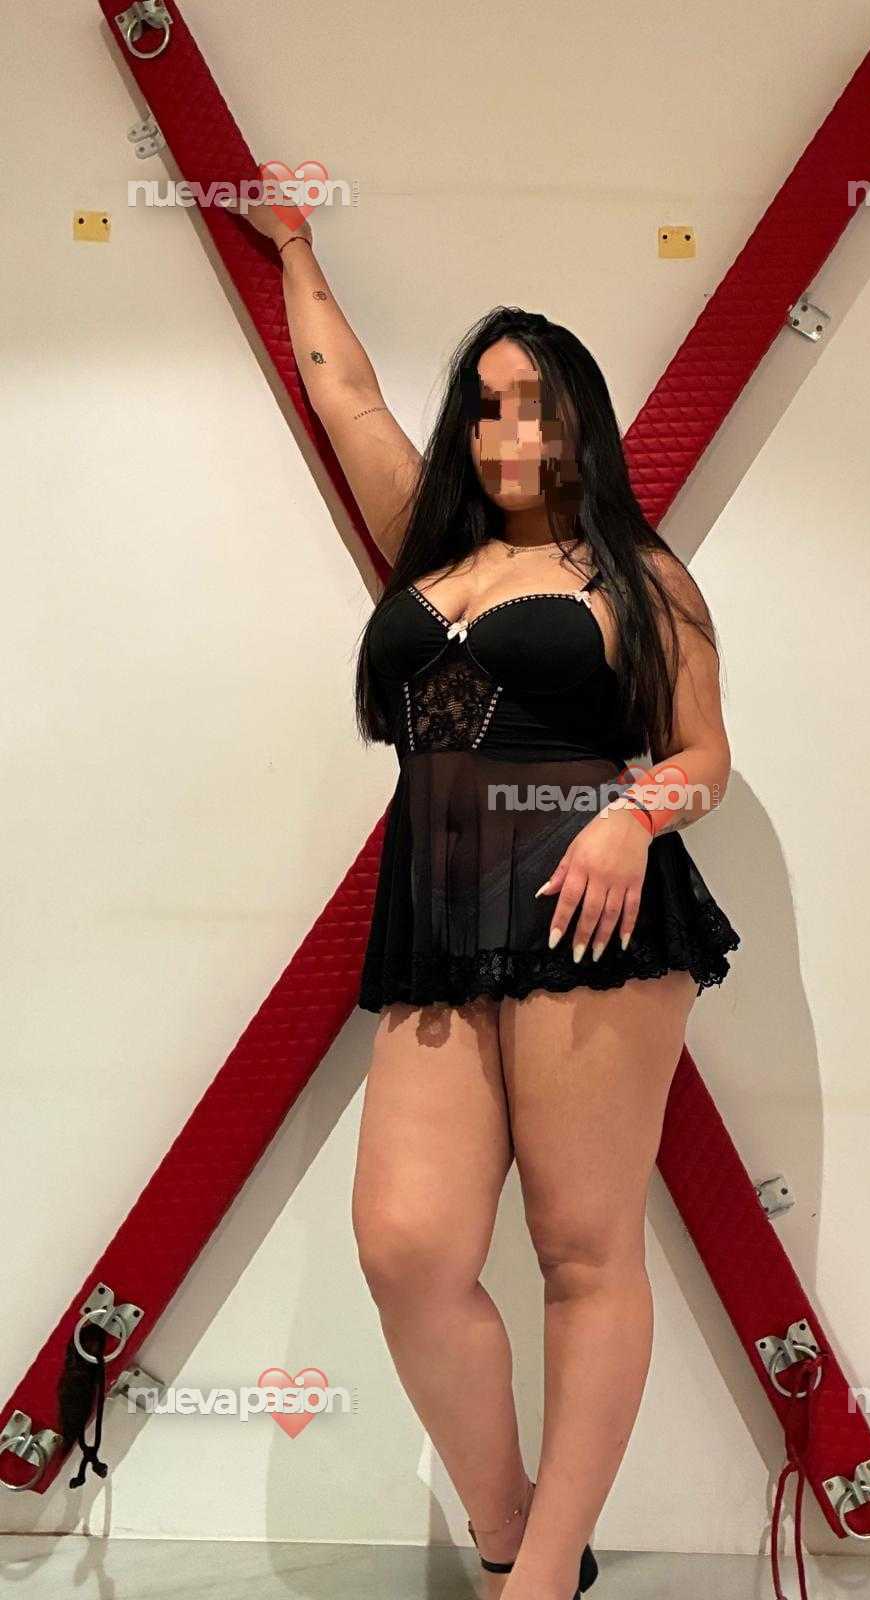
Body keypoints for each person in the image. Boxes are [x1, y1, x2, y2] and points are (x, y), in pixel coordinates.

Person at [226, 195, 740, 1600]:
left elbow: (705, 757)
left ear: (585, 428)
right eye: (490, 408)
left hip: (595, 917)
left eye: (543, 410)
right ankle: (513, 1525)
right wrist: (294, 246)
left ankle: (541, 1572)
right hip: (439, 916)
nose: (515, 436)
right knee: (408, 1245)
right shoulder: (427, 548)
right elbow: (344, 396)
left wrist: (635, 814)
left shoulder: (641, 577)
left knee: (583, 1249)